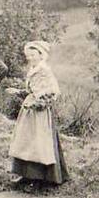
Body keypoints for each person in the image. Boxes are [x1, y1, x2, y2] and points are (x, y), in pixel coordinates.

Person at [9, 41, 69, 185]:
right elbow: (32, 91)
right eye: (28, 55)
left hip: (39, 113)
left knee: (39, 144)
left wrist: (37, 104)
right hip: (29, 111)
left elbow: (51, 93)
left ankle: (39, 178)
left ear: (41, 55)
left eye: (33, 55)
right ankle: (26, 175)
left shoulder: (44, 71)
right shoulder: (33, 70)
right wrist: (18, 92)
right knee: (26, 142)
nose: (29, 58)